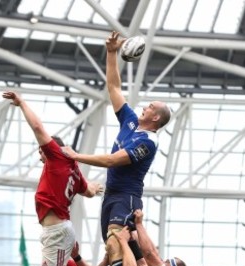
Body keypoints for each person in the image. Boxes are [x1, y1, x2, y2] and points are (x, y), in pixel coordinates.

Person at [62, 31, 170, 241]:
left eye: (149, 107)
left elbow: (112, 160)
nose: (145, 108)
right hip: (110, 195)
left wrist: (76, 156)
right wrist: (112, 53)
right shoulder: (130, 121)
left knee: (116, 245)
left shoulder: (147, 142)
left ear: (155, 118)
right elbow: (114, 87)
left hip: (126, 198)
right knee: (115, 251)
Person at [2, 90, 101, 266]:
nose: (40, 156)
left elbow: (37, 127)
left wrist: (21, 103)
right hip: (60, 230)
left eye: (41, 151)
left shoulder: (56, 156)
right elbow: (90, 192)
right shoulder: (74, 170)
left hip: (56, 232)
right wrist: (94, 186)